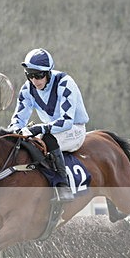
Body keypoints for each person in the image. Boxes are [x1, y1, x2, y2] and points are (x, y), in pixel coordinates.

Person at [7, 48, 89, 202]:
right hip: (52, 130)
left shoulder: (65, 83)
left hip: (74, 130)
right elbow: (18, 119)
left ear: (49, 73)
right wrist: (14, 131)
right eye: (30, 75)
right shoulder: (27, 88)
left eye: (39, 75)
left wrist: (39, 128)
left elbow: (66, 121)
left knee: (46, 138)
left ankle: (63, 185)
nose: (34, 80)